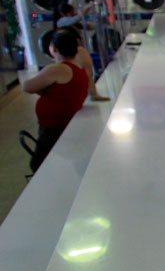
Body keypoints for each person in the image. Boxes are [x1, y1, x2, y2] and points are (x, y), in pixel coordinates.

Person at [22, 28, 109, 172]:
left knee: (37, 165)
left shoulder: (57, 70)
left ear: (54, 49)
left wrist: (43, 90)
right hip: (68, 123)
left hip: (54, 128)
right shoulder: (78, 64)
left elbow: (27, 86)